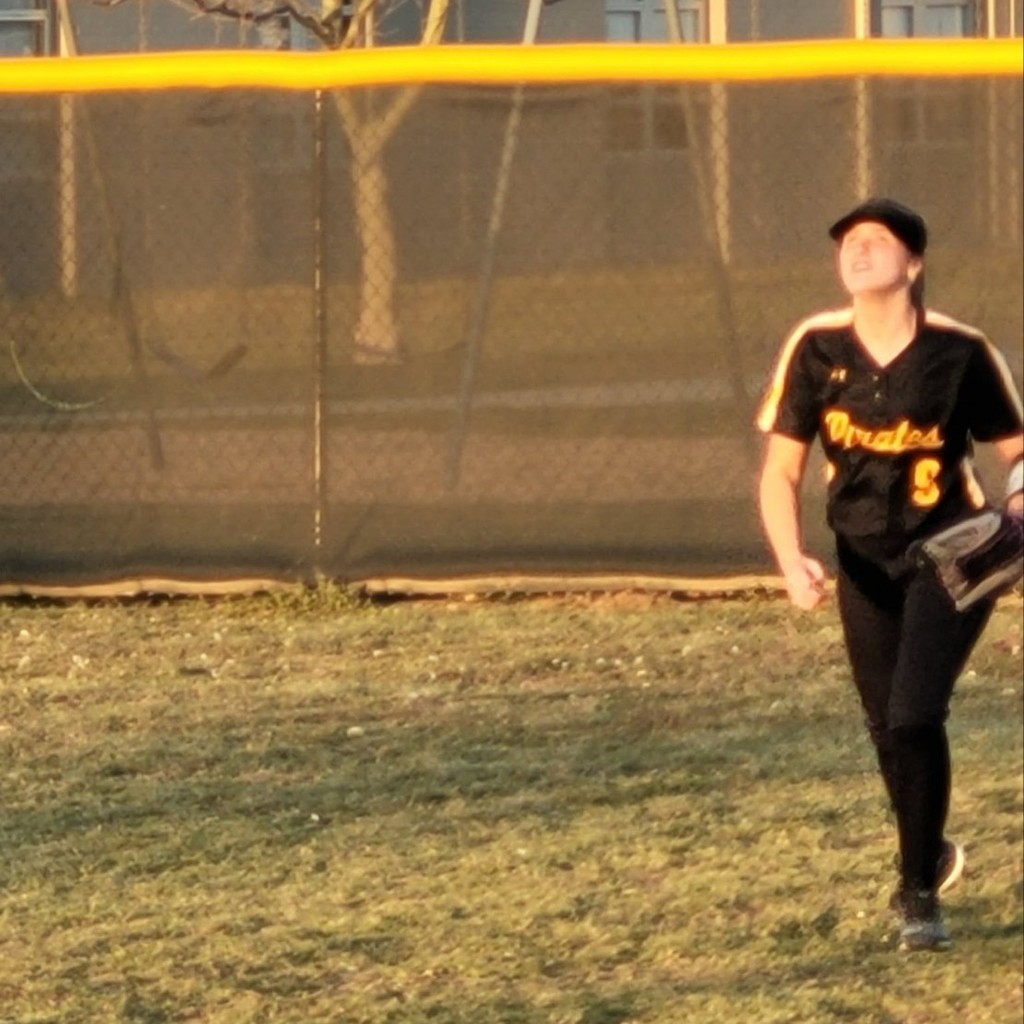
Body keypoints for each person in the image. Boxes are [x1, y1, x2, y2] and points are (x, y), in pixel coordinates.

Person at [755, 197, 1024, 953]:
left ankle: (917, 897)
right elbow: (781, 472)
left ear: (914, 263)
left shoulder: (960, 352)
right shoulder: (815, 347)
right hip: (861, 561)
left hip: (949, 553)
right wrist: (790, 558)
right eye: (849, 240)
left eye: (878, 239)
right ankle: (928, 849)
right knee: (885, 729)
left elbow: (1017, 450)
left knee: (913, 716)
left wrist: (1018, 510)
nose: (859, 248)